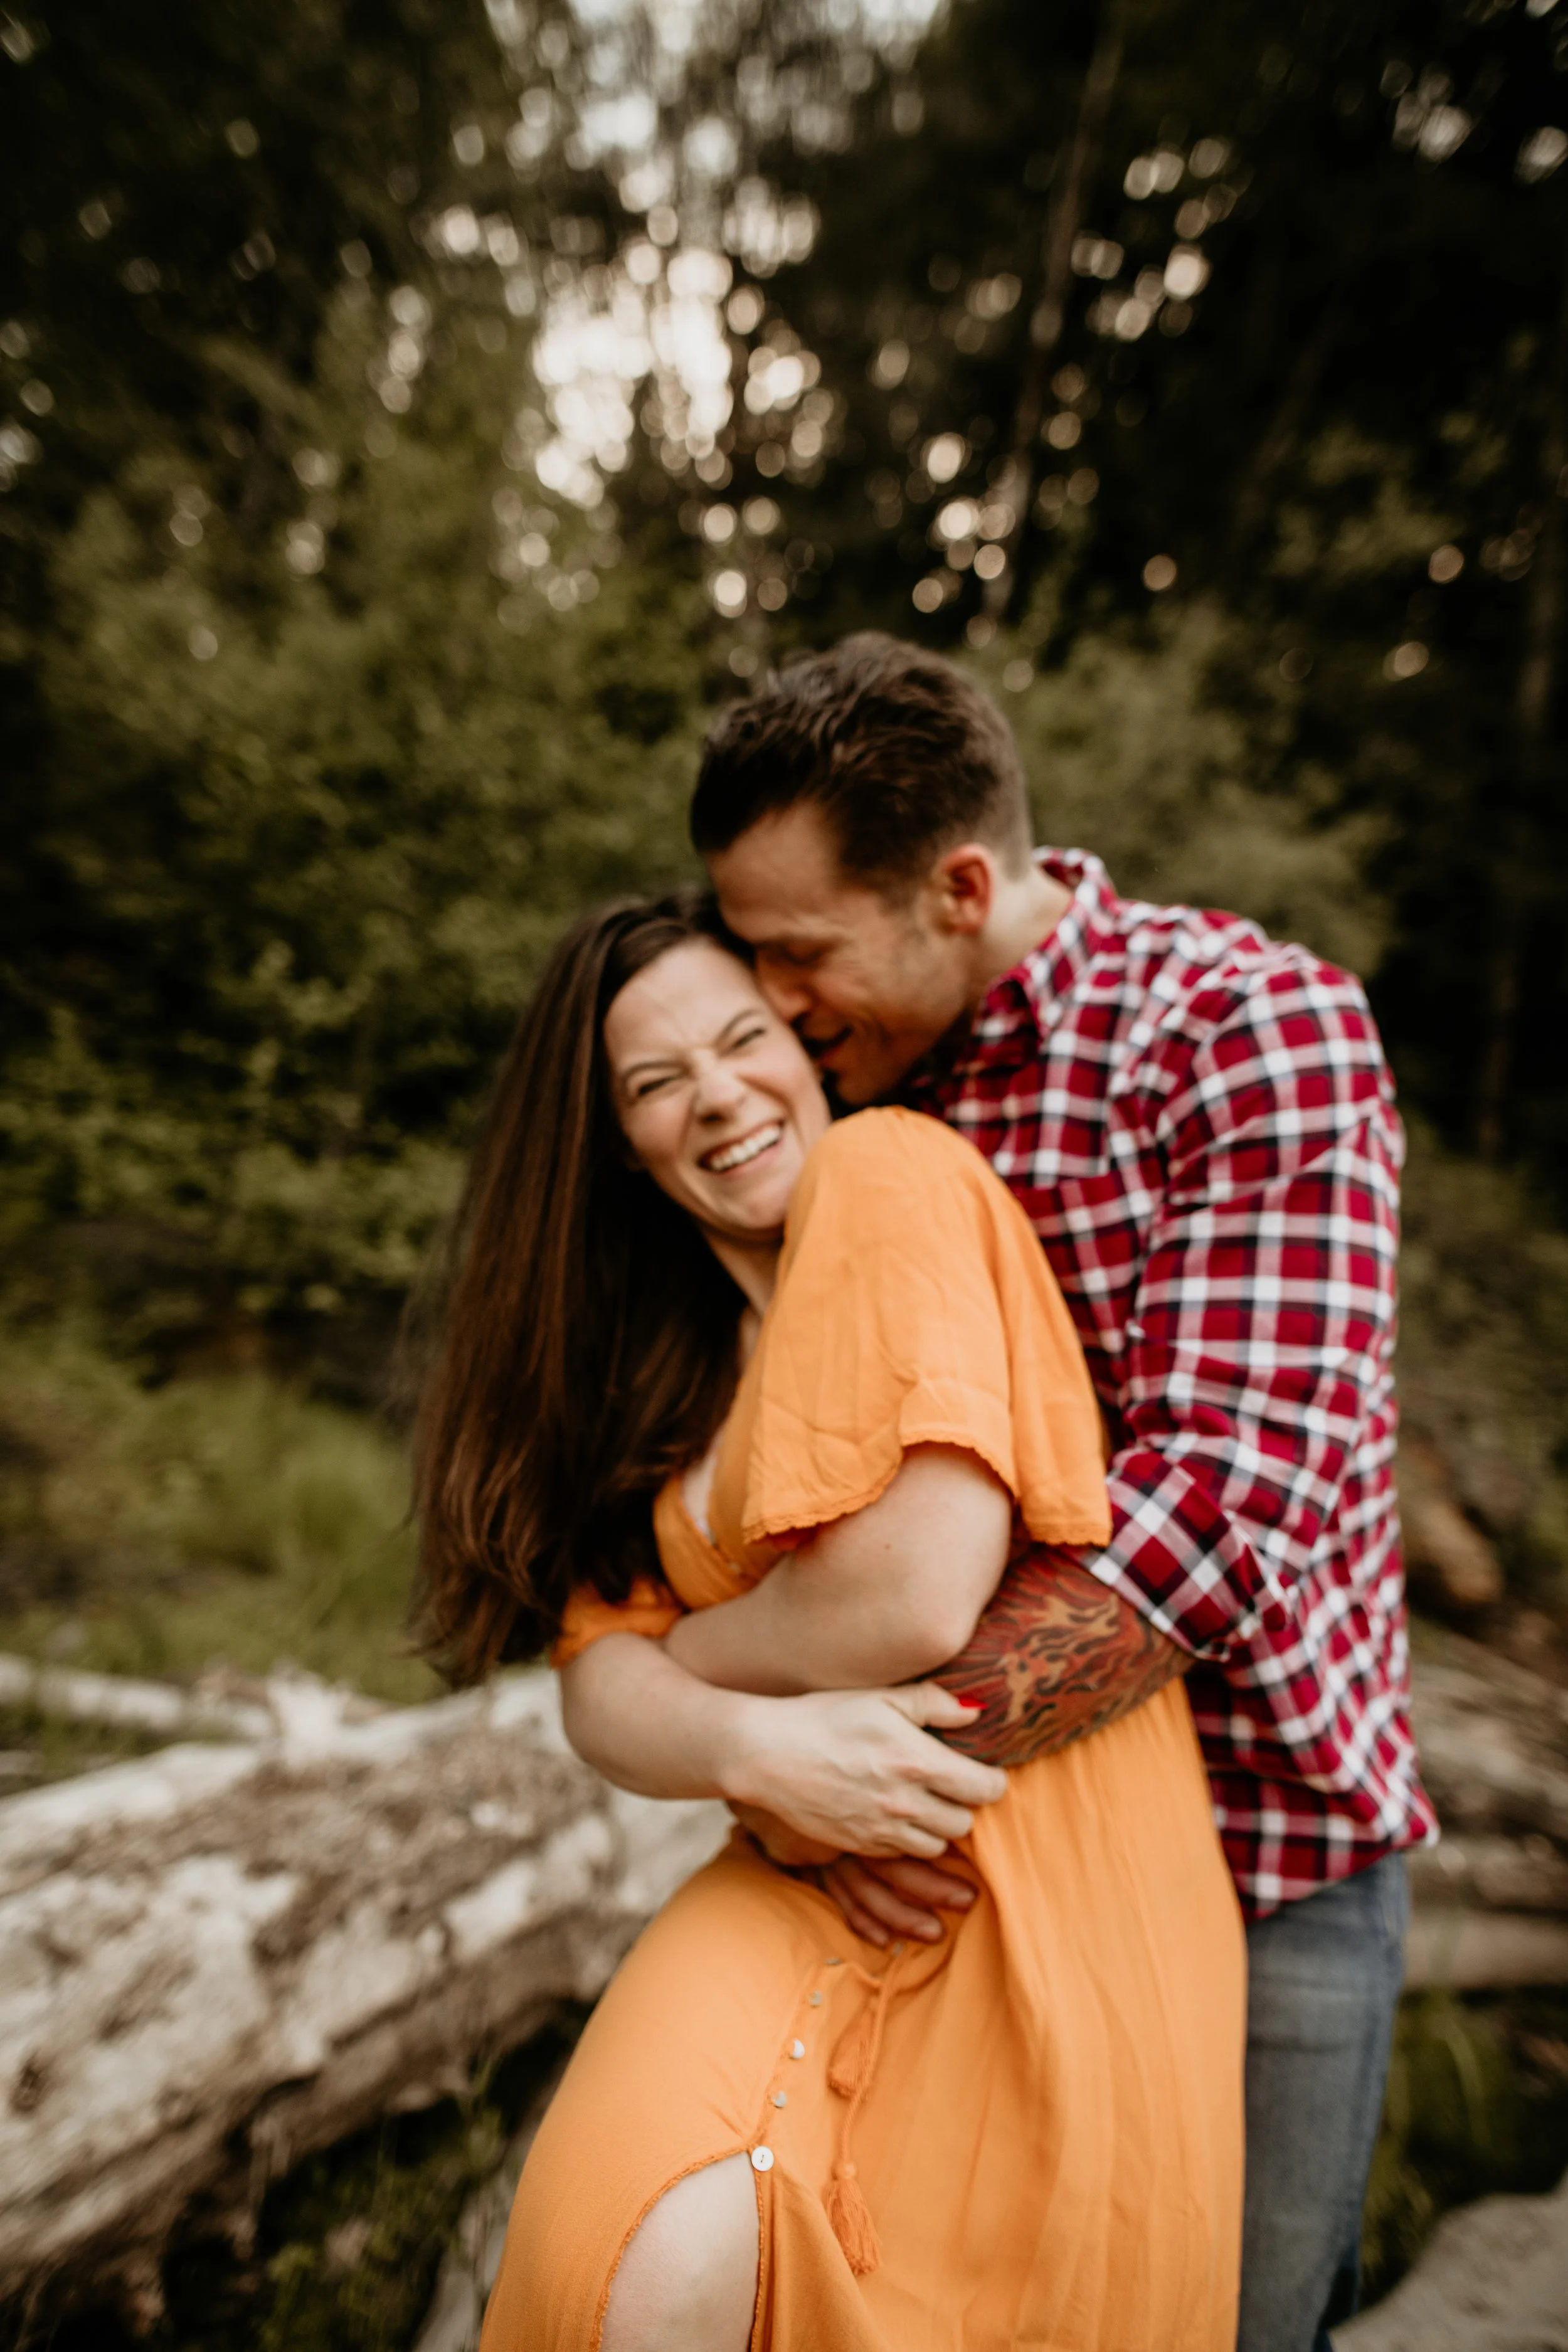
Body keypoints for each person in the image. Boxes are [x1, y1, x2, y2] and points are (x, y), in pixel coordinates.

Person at [652, 632, 1429, 2352]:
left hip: (1258, 1851)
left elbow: (1216, 1517)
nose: (769, 999)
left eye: (797, 950)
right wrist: (752, 1751)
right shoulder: (841, 1085)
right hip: (962, 1881)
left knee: (1238, 2319)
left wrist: (832, 1770)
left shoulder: (1242, 1027)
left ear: (955, 884)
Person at [414, 892, 1247, 2351]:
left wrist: (688, 1673)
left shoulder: (892, 1170)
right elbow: (586, 1676)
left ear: (803, 1046)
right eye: (656, 1082)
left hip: (1032, 1870)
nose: (718, 1097)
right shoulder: (650, 1361)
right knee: (621, 2270)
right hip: (799, 1858)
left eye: (742, 1040)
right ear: (618, 1139)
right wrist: (760, 1756)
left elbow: (911, 1594)